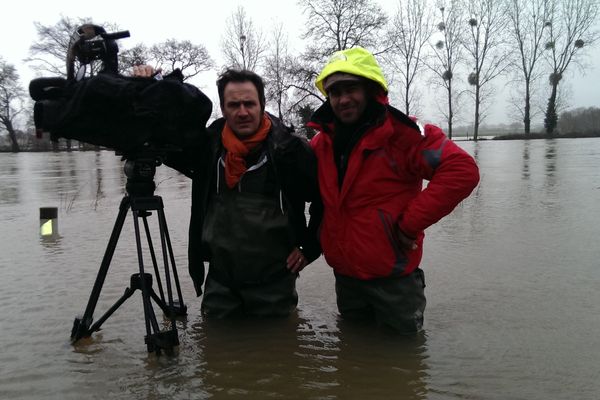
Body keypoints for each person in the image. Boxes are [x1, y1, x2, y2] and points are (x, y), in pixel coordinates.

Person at [307, 47, 480, 334]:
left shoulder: (405, 136)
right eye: (335, 92)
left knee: (403, 367)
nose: (343, 98)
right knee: (353, 360)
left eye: (352, 88)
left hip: (395, 284)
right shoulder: (320, 145)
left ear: (371, 89)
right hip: (346, 280)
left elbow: (462, 170)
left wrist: (409, 225)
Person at [133, 66, 322, 318]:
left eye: (249, 103)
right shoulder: (205, 147)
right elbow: (165, 132)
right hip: (220, 283)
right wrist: (150, 86)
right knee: (214, 349)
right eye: (233, 105)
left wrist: (310, 248)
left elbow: (325, 200)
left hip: (275, 283)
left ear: (262, 105)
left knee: (279, 349)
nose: (242, 112)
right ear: (222, 108)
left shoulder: (291, 150)